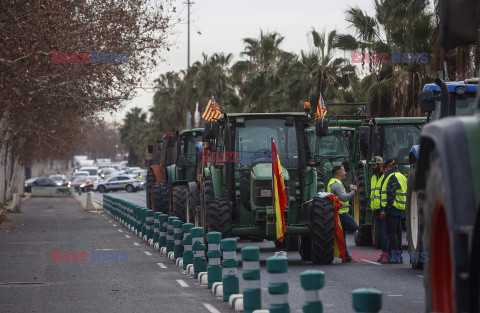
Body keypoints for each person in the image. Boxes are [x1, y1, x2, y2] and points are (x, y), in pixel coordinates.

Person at [327, 165, 358, 262]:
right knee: (354, 227)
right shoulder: (336, 184)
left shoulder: (334, 182)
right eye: (344, 171)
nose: (345, 173)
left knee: (342, 236)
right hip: (341, 213)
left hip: (339, 212)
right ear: (339, 173)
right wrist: (354, 192)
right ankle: (344, 255)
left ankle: (345, 256)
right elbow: (343, 197)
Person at [379, 159, 407, 263]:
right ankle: (398, 256)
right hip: (399, 208)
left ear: (390, 167)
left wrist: (385, 210)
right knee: (398, 233)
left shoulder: (392, 177)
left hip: (392, 209)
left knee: (391, 234)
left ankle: (395, 257)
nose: (384, 170)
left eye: (385, 167)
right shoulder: (402, 176)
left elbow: (391, 196)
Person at [368, 156, 389, 262]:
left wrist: (383, 209)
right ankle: (384, 254)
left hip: (382, 210)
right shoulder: (373, 178)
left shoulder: (385, 177)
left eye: (374, 165)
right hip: (376, 210)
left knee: (385, 233)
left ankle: (386, 255)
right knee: (382, 233)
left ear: (380, 165)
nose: (372, 167)